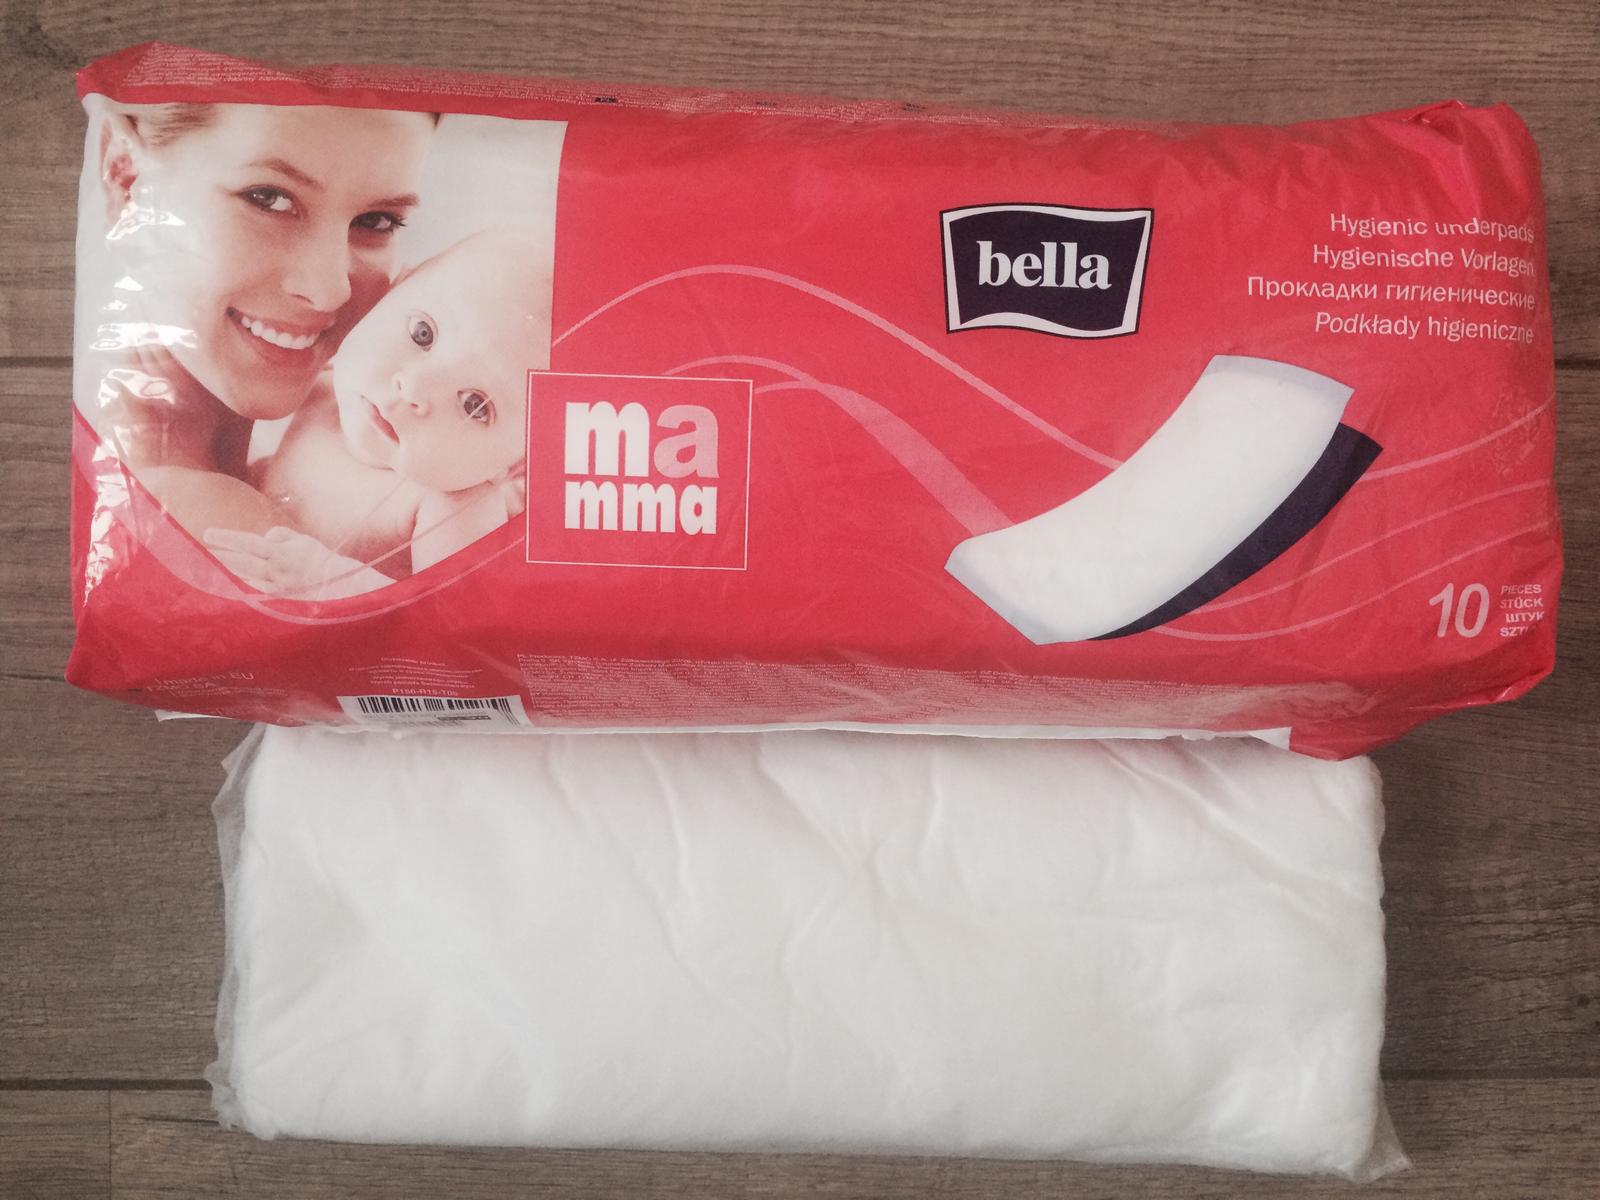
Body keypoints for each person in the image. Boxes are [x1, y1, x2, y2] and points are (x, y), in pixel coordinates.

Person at [83, 99, 435, 536]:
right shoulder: (204, 521)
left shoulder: (319, 449)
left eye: (376, 221)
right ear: (127, 178)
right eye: (269, 199)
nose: (329, 291)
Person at [203, 226, 551, 599]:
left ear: (514, 466)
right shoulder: (320, 391)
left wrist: (334, 580)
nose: (414, 388)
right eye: (422, 333)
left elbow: (449, 620)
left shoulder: (454, 508)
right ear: (395, 288)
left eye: (473, 404)